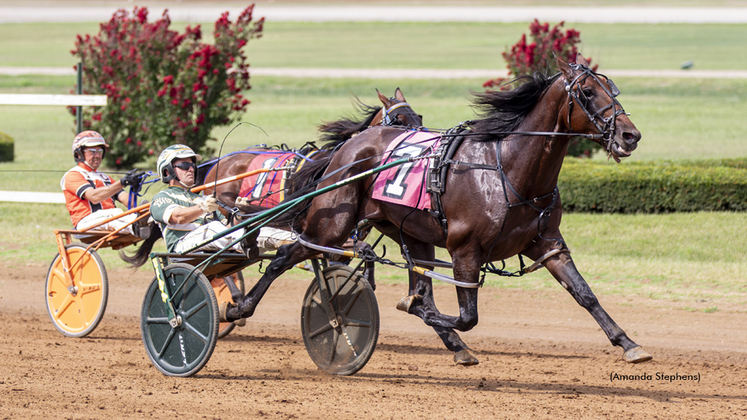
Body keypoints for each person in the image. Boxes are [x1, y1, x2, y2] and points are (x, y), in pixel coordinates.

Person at [150, 144, 294, 255]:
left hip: (211, 243)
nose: (191, 169)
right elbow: (178, 217)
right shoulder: (162, 198)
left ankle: (293, 240)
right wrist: (202, 208)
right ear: (167, 171)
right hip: (182, 247)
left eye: (192, 165)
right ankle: (245, 241)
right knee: (212, 229)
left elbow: (228, 229)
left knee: (254, 225)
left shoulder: (201, 199)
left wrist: (241, 214)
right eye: (184, 165)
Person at [60, 131, 143, 235]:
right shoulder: (73, 175)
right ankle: (137, 225)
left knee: (136, 214)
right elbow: (94, 197)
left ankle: (142, 223)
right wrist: (122, 182)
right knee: (115, 216)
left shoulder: (104, 177)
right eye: (92, 151)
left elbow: (129, 203)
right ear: (79, 154)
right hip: (86, 221)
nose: (97, 156)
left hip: (109, 218)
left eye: (100, 151)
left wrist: (134, 188)